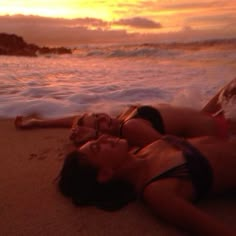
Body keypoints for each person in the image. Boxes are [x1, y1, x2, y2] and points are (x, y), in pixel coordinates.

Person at [58, 134, 236, 235]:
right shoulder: (156, 190)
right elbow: (212, 229)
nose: (104, 138)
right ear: (105, 173)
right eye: (97, 147)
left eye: (97, 139)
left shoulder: (145, 149)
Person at [15, 78, 236, 147]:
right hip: (222, 129)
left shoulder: (123, 120)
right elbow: (170, 148)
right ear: (99, 136)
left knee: (231, 85)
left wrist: (38, 123)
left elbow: (75, 119)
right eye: (97, 123)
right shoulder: (130, 129)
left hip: (208, 115)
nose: (102, 117)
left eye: (97, 114)